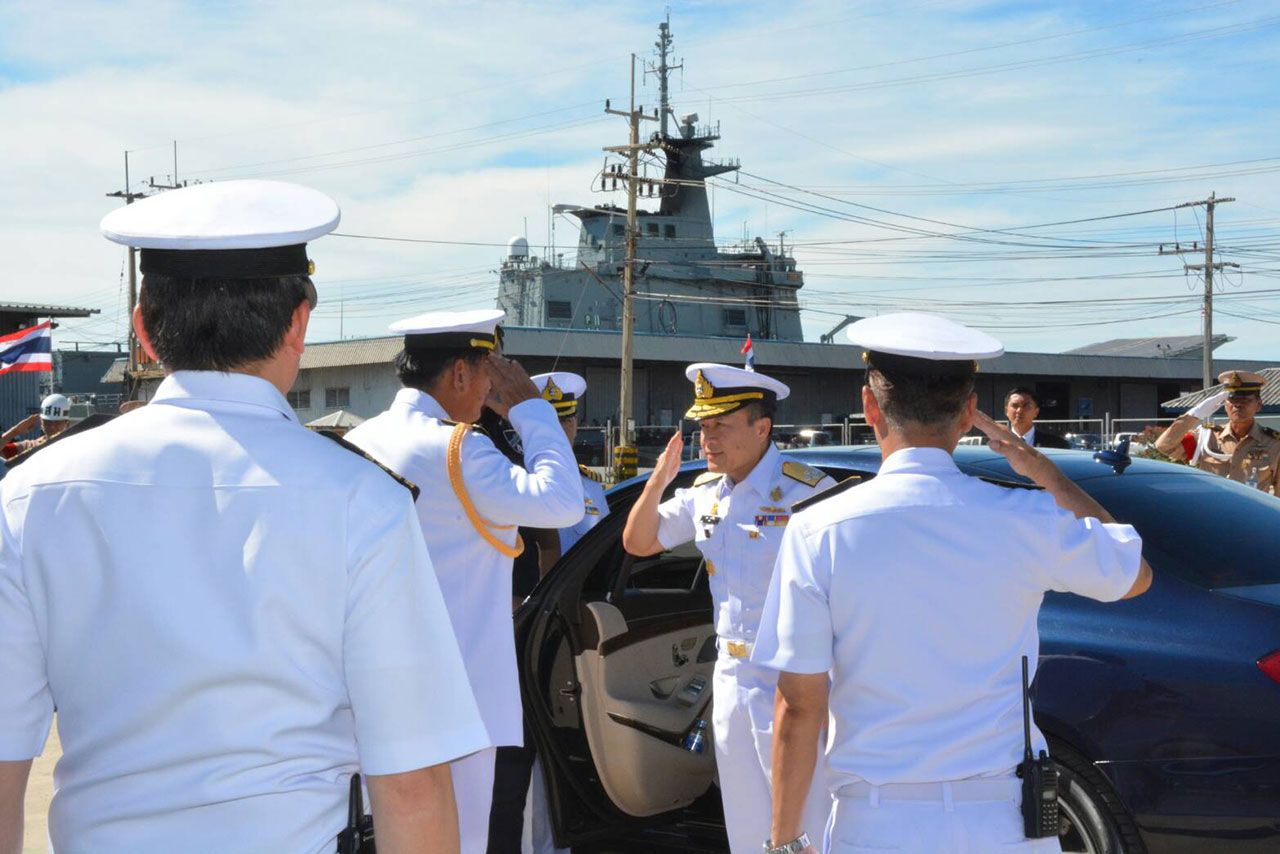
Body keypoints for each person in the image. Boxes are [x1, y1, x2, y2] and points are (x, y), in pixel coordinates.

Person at [0, 179, 489, 853]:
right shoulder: (364, 502)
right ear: (298, 323)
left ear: (143, 332)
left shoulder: (30, 497)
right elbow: (412, 784)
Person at [755, 312, 1152, 854]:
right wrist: (1045, 472)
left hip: (876, 825)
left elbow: (799, 707)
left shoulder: (815, 530)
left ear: (870, 406)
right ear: (969, 413)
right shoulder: (1026, 518)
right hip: (1005, 824)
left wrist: (782, 844)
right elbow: (1135, 575)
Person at [346, 310, 583, 854]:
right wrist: (531, 410)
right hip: (462, 702)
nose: (488, 393)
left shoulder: (360, 439)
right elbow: (563, 503)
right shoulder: (458, 447)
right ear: (458, 374)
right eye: (486, 376)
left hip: (375, 692)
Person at [621, 362, 834, 854]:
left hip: (793, 681)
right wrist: (658, 481)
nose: (706, 439)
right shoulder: (705, 496)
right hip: (732, 677)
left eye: (719, 426)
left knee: (806, 824)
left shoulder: (809, 493)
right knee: (745, 823)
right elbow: (639, 541)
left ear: (762, 428)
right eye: (701, 426)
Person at [1154, 370, 1279, 495]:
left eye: (1245, 400)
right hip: (1213, 512)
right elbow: (1164, 446)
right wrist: (1194, 415)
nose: (1238, 405)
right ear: (1225, 404)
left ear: (1258, 405)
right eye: (1233, 399)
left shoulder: (1274, 444)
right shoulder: (1206, 437)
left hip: (1252, 512)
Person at [0, 393, 72, 461]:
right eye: (47, 422)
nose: (52, 427)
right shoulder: (28, 447)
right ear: (41, 422)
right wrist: (15, 431)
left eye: (57, 423)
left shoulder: (74, 446)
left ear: (67, 423)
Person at [1004, 387, 1068, 449]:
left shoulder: (1057, 444)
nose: (1019, 410)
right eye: (1015, 406)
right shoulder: (997, 443)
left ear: (1036, 412)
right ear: (1006, 411)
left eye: (1026, 406)